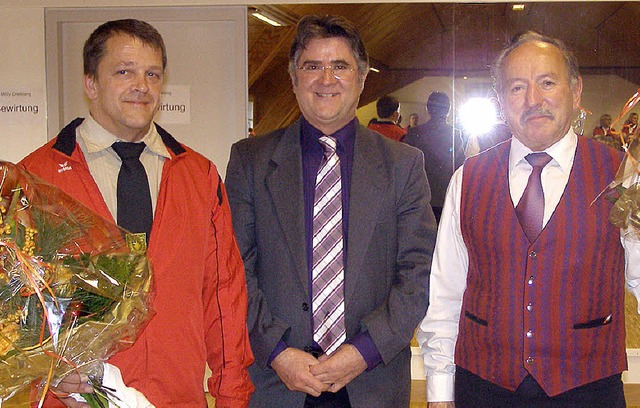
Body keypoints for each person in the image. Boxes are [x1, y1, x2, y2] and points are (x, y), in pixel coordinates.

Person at [19, 19, 254, 407]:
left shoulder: (198, 176)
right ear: (90, 83)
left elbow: (223, 297)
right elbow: (15, 304)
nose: (141, 86)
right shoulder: (38, 177)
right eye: (124, 72)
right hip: (76, 399)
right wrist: (43, 372)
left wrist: (232, 396)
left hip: (178, 397)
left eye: (152, 74)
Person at [417, 31, 640, 407]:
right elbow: (445, 293)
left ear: (576, 90)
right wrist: (440, 391)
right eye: (517, 87)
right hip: (484, 387)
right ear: (501, 102)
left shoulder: (622, 176)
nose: (533, 100)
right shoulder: (467, 179)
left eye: (547, 83)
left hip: (587, 389)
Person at [225, 14, 436, 407]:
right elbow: (234, 268)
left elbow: (419, 273)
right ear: (293, 79)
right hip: (278, 382)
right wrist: (277, 352)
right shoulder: (250, 161)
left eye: (340, 66)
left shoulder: (403, 165)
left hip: (371, 380)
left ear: (361, 79)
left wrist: (364, 352)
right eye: (312, 66)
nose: (326, 79)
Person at [403, 91, 464, 222]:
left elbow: (405, 165)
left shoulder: (414, 133)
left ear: (428, 109)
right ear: (448, 110)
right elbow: (460, 167)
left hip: (417, 194)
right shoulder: (455, 135)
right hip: (446, 195)